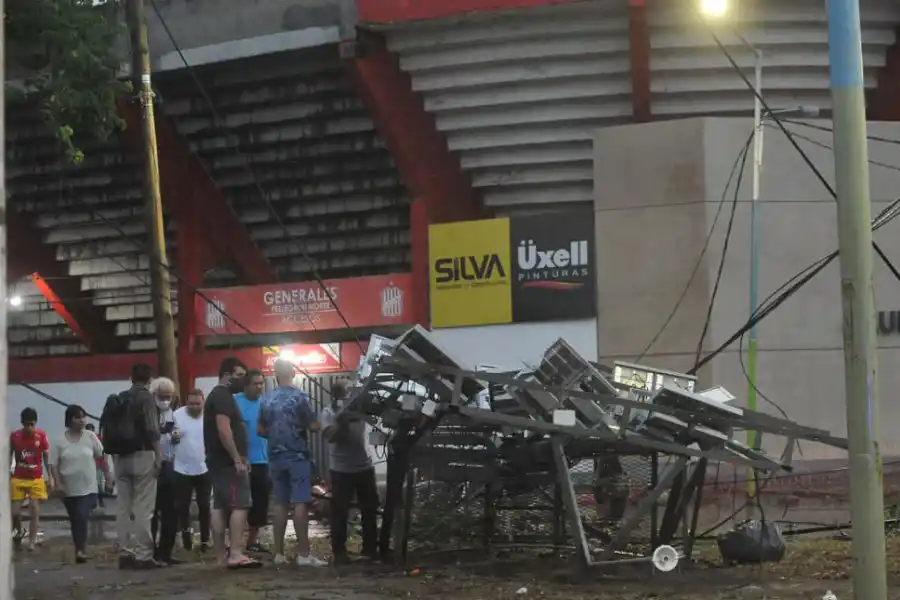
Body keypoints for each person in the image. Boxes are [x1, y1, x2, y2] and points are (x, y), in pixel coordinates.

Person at [258, 359, 325, 567]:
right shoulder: (300, 397)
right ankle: (303, 554)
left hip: (276, 457)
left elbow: (260, 430)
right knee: (300, 503)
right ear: (293, 373)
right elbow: (313, 426)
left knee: (280, 503)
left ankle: (278, 553)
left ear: (275, 374)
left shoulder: (266, 399)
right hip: (297, 457)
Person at [100, 363, 162, 569]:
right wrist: (159, 456)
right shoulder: (146, 397)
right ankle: (144, 555)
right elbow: (152, 429)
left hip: (120, 457)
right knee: (144, 508)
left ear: (131, 378)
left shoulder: (121, 397)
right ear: (150, 379)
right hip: (143, 455)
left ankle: (125, 553)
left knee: (123, 506)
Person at [204, 357, 261, 570]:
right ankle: (235, 553)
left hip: (219, 461)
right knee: (240, 505)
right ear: (226, 375)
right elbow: (223, 428)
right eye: (238, 375)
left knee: (220, 507)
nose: (241, 380)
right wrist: (237, 458)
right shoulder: (222, 396)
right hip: (227, 463)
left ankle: (221, 556)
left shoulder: (218, 396)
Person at [321, 379, 379, 564]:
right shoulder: (329, 411)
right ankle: (339, 552)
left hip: (363, 466)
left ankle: (370, 549)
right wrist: (343, 421)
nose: (350, 394)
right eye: (347, 391)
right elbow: (330, 436)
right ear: (338, 394)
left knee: (370, 508)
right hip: (341, 469)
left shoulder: (359, 408)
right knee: (340, 511)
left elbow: (376, 413)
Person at [51, 405, 112, 564]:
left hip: (89, 487)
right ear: (69, 420)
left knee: (81, 515)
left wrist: (108, 475)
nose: (82, 420)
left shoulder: (90, 437)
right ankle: (80, 548)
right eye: (78, 417)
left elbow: (102, 455)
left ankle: (81, 550)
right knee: (76, 519)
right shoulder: (60, 441)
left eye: (83, 417)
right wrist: (58, 483)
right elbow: (54, 465)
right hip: (69, 488)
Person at [234, 369, 270, 553]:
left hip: (263, 461)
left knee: (260, 504)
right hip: (241, 460)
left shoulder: (266, 402)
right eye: (255, 383)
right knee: (239, 504)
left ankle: (252, 541)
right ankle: (234, 543)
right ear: (246, 386)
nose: (259, 387)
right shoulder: (235, 402)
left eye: (261, 383)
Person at [10, 407, 53, 551]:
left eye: (32, 424)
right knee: (15, 512)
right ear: (22, 423)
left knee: (34, 509)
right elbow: (8, 456)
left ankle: (32, 541)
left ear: (35, 423)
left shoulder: (41, 436)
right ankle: (20, 530)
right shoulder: (14, 436)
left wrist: (51, 477)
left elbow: (47, 458)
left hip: (36, 477)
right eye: (26, 424)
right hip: (18, 477)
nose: (29, 428)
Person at [173, 389, 211, 552]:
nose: (195, 407)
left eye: (198, 403)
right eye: (191, 404)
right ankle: (187, 538)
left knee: (204, 505)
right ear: (186, 403)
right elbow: (168, 440)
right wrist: (172, 439)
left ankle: (204, 540)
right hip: (181, 468)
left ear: (203, 402)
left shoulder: (209, 416)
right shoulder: (176, 416)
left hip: (205, 467)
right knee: (183, 506)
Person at [149, 377, 181, 566]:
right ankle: (151, 552)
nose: (165, 400)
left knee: (171, 512)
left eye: (168, 397)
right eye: (162, 396)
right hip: (152, 465)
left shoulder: (172, 413)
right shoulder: (147, 413)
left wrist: (175, 436)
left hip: (170, 464)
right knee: (151, 513)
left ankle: (166, 552)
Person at [85, 424, 108, 509]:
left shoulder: (99, 439)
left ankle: (99, 501)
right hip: (88, 465)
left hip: (98, 465)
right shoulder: (84, 440)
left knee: (97, 484)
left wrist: (105, 463)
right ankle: (95, 502)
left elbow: (105, 451)